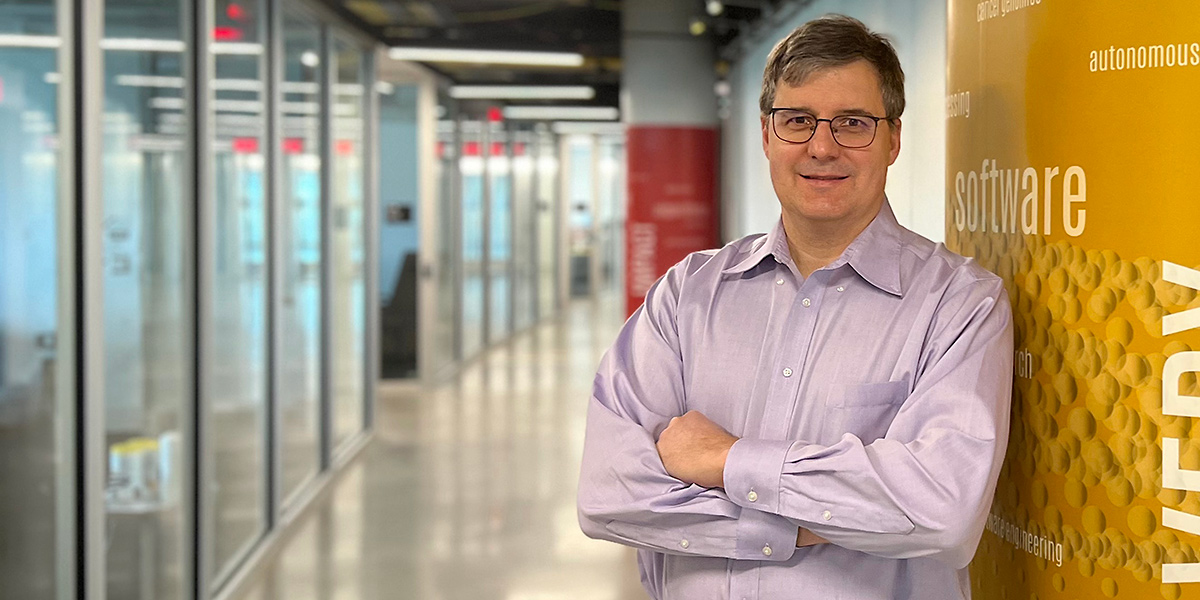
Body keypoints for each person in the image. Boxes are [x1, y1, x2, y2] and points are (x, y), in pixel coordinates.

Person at [577, 14, 1014, 600]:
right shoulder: (687, 294)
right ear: (766, 135)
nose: (822, 147)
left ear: (893, 139)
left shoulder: (960, 304)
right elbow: (610, 496)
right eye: (797, 121)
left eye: (853, 123)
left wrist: (727, 461)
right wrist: (821, 516)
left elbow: (941, 510)